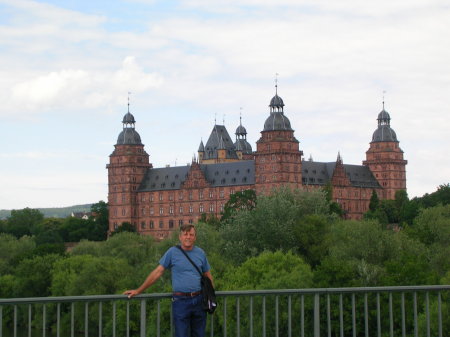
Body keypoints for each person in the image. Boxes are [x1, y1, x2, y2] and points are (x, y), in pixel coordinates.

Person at [123, 224, 213, 337]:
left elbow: (208, 275)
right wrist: (139, 290)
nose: (188, 237)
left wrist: (211, 296)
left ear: (195, 237)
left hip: (199, 300)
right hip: (181, 301)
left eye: (191, 235)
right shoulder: (172, 252)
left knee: (199, 334)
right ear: (180, 237)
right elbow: (158, 272)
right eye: (185, 234)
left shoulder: (200, 253)